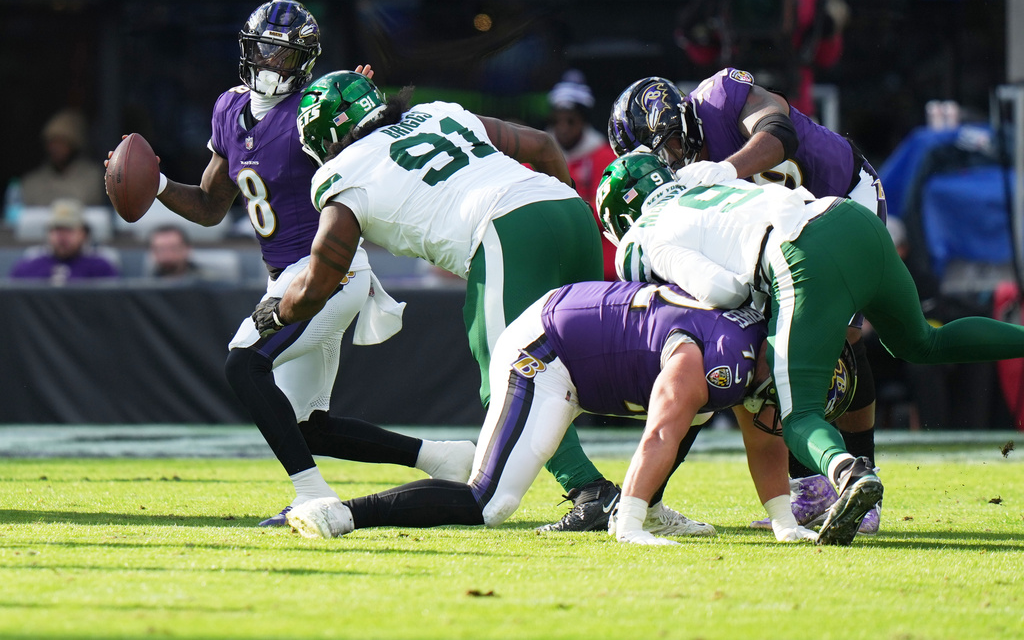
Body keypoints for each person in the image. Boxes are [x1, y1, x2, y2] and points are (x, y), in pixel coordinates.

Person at [254, 69, 711, 537]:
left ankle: (590, 491)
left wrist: (277, 313)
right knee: (601, 365)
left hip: (503, 231)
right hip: (570, 212)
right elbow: (543, 147)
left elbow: (320, 278)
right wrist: (562, 213)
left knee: (510, 375)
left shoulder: (341, 173)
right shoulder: (435, 113)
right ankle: (645, 500)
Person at [107, 0, 477, 528]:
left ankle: (311, 495)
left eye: (284, 55)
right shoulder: (229, 110)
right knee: (305, 426)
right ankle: (442, 458)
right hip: (286, 275)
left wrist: (360, 110)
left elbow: (368, 161)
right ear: (247, 50)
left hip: (331, 269)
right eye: (264, 50)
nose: (271, 63)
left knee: (244, 362)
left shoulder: (312, 113)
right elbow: (213, 207)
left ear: (303, 62)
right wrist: (158, 184)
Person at [600, 151, 1024, 545]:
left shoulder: (642, 237)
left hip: (802, 256)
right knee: (922, 343)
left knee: (798, 415)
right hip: (849, 217)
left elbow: (721, 288)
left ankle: (851, 473)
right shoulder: (700, 175)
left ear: (619, 215)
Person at [283, 280, 827, 546]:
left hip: (593, 359)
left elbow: (764, 441)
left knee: (698, 414)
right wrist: (628, 523)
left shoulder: (753, 357)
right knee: (489, 502)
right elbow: (661, 429)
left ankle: (647, 506)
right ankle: (344, 513)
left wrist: (784, 524)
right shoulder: (722, 360)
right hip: (548, 353)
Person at [607, 70, 884, 534]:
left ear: (676, 121)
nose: (674, 163)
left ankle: (861, 476)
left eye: (672, 147)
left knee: (837, 334)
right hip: (781, 235)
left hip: (840, 195)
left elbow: (779, 132)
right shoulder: (681, 181)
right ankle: (808, 487)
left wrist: (726, 168)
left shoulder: (721, 96)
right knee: (715, 343)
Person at [675, 0, 848, 118]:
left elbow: (827, 57)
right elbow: (703, 55)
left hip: (794, 107)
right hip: (733, 108)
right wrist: (697, 29)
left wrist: (829, 29)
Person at [545, 70, 618, 280]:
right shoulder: (534, 156)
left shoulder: (605, 156)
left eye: (570, 121)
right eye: (557, 121)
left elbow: (605, 210)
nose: (563, 128)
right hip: (552, 261)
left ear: (583, 121)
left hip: (601, 266)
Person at [9, 198, 119, 284]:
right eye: (56, 229)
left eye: (68, 229)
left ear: (84, 234)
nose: (62, 237)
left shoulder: (100, 267)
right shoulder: (28, 267)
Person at [20, 109, 106, 207]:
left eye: (61, 142)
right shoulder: (31, 181)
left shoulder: (92, 176)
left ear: (74, 145)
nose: (55, 148)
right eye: (52, 142)